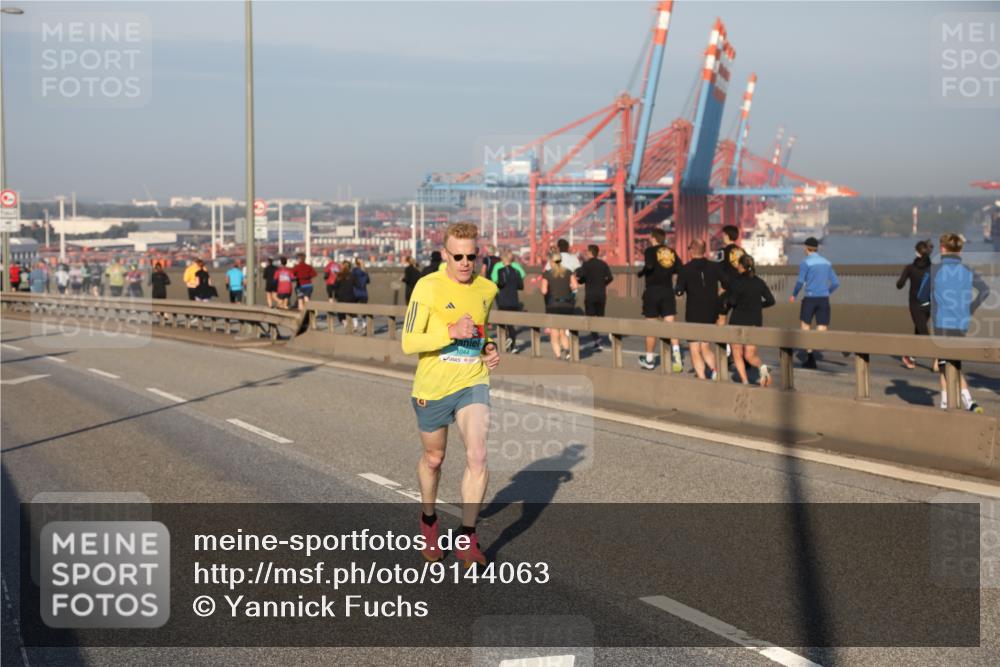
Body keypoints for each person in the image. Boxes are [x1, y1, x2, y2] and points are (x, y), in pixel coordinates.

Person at [401, 222, 499, 568]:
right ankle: (429, 521)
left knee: (478, 455)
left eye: (471, 256)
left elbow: (481, 332)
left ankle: (467, 538)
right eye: (458, 256)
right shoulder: (427, 287)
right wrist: (449, 331)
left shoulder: (487, 288)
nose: (465, 263)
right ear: (445, 254)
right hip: (432, 387)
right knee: (434, 459)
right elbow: (409, 341)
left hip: (472, 381)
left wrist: (488, 348)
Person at [930, 233, 990, 413]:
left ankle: (946, 402)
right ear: (961, 250)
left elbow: (922, 296)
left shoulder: (935, 269)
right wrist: (970, 308)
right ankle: (968, 401)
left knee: (943, 365)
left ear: (942, 249)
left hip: (941, 323)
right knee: (954, 362)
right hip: (961, 323)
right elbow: (985, 290)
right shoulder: (968, 270)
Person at [724, 254, 776, 386]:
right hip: (754, 321)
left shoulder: (737, 282)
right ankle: (763, 368)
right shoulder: (759, 282)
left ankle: (745, 381)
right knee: (750, 355)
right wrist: (759, 306)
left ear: (741, 266)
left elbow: (732, 301)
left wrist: (727, 304)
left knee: (737, 352)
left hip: (738, 320)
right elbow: (771, 301)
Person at [674, 239, 722, 380]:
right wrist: (718, 295)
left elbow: (679, 291)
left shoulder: (685, 268)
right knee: (705, 346)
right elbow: (727, 282)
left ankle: (702, 378)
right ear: (704, 250)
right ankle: (714, 371)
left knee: (694, 348)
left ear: (692, 250)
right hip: (711, 311)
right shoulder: (714, 267)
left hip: (694, 312)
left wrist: (677, 291)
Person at [789, 237, 840, 369]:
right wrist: (827, 292)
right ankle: (815, 347)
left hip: (810, 298)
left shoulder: (805, 262)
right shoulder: (827, 263)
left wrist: (794, 295)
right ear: (817, 248)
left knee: (805, 326)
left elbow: (800, 281)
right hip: (824, 299)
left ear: (806, 248)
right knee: (822, 326)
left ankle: (810, 356)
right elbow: (836, 283)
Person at [637, 228, 682, 371]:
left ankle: (649, 360)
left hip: (653, 292)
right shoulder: (671, 252)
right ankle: (677, 358)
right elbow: (680, 269)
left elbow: (649, 266)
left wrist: (642, 272)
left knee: (651, 326)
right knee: (671, 326)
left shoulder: (650, 251)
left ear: (653, 238)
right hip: (668, 292)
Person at [895, 239, 933, 369]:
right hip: (929, 303)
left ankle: (939, 358)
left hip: (915, 304)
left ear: (916, 252)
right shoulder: (932, 268)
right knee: (919, 329)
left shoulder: (910, 268)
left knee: (922, 331)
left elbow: (899, 285)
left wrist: (902, 279)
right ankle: (910, 357)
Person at [575, 244, 613, 351]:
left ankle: (597, 341)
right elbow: (610, 278)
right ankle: (611, 331)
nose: (586, 253)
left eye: (587, 252)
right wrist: (603, 284)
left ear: (590, 253)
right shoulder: (603, 264)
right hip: (601, 295)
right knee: (600, 318)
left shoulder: (586, 264)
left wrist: (577, 280)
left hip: (590, 295)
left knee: (590, 320)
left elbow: (580, 276)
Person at [540, 250, 578, 360]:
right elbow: (575, 286)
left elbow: (543, 291)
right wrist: (566, 289)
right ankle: (567, 351)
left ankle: (558, 356)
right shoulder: (568, 272)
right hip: (567, 305)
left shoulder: (547, 274)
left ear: (551, 261)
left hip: (553, 305)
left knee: (554, 333)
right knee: (562, 331)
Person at [494, 249, 525, 353]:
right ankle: (513, 346)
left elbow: (500, 284)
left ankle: (505, 345)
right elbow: (521, 286)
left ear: (503, 259)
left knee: (503, 325)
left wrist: (498, 284)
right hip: (514, 301)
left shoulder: (500, 271)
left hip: (503, 301)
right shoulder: (516, 271)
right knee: (511, 325)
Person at [334, 260, 356, 328]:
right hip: (351, 296)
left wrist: (336, 296)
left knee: (340, 312)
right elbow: (357, 285)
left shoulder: (339, 275)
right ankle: (355, 324)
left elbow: (335, 287)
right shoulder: (352, 275)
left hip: (341, 297)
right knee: (352, 311)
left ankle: (344, 322)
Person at [352, 259, 371, 331]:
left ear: (355, 263)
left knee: (353, 309)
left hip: (355, 292)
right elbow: (368, 281)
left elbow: (352, 280)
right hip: (364, 293)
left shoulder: (354, 271)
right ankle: (364, 324)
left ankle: (355, 325)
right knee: (364, 309)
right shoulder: (365, 271)